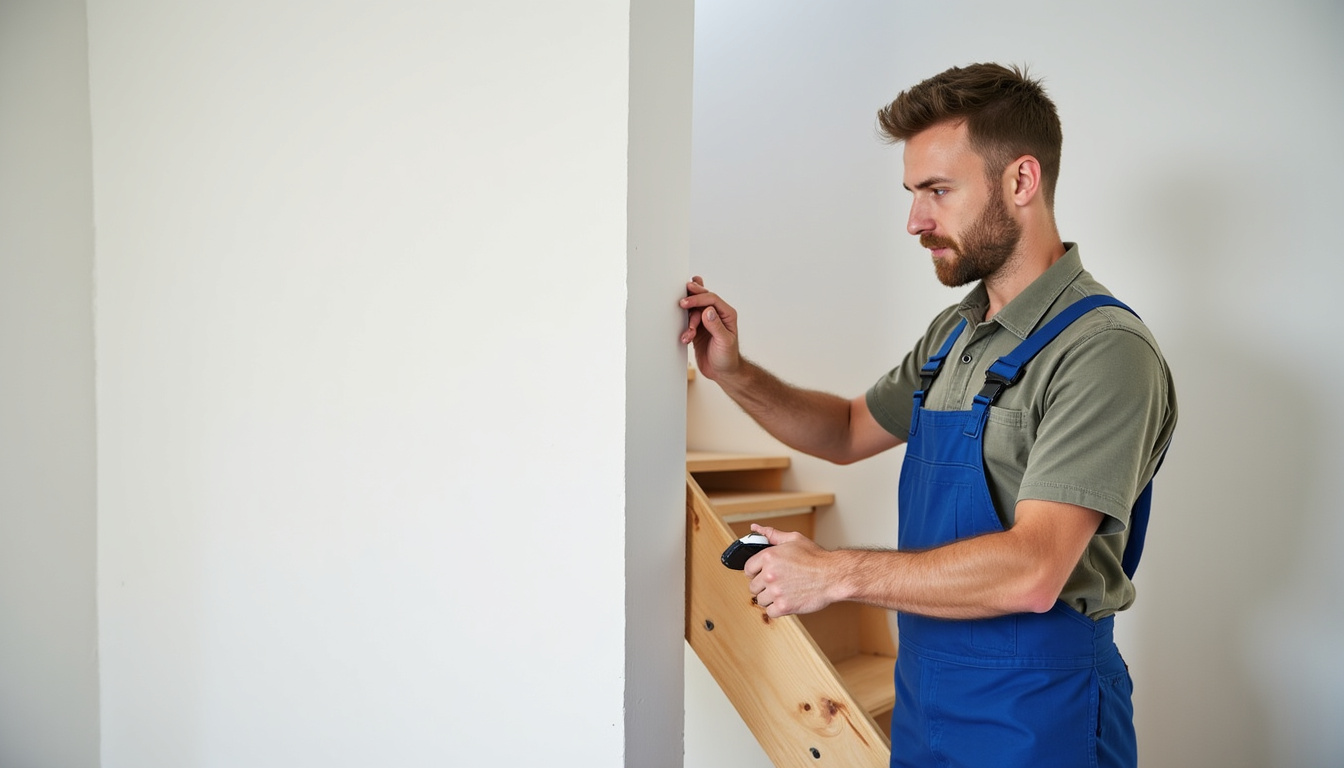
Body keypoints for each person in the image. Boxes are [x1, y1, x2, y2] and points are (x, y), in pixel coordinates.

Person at [678, 63, 1177, 768]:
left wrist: (837, 574)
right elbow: (849, 430)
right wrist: (731, 372)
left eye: (938, 191)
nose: (915, 220)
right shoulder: (955, 334)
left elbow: (1035, 570)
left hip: (1037, 713)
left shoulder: (1102, 351)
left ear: (1021, 181)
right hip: (926, 700)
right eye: (914, 193)